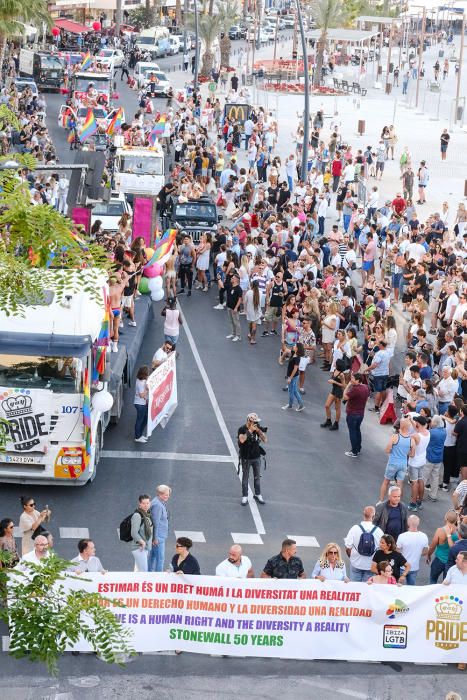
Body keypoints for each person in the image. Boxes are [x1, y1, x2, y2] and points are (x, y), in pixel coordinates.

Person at [344, 506, 383, 582]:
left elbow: (348, 547)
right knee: (366, 590)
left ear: (363, 515)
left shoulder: (355, 528)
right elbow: (382, 549)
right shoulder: (378, 531)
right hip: (370, 566)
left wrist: (351, 557)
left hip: (356, 563)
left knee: (355, 589)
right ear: (374, 516)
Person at [379, 418, 414, 501]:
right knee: (399, 484)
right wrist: (405, 452)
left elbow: (387, 450)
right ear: (408, 427)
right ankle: (398, 503)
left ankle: (381, 501)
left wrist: (394, 451)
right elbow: (412, 454)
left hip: (393, 462)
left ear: (401, 426)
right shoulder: (411, 440)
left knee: (386, 481)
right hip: (403, 464)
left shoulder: (395, 437)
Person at [237, 412, 267, 506]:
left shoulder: (257, 428)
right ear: (249, 421)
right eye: (254, 422)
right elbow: (241, 440)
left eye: (257, 422)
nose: (256, 424)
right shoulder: (242, 429)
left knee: (257, 477)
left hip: (256, 457)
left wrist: (259, 431)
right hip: (246, 458)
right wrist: (250, 431)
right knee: (245, 478)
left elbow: (265, 440)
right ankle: (245, 496)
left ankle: (258, 494)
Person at [426, 510, 459, 583]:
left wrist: (428, 555)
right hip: (451, 562)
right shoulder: (458, 532)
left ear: (446, 518)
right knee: (446, 583)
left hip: (438, 560)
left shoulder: (440, 531)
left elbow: (432, 546)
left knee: (433, 579)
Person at [343, 373, 370, 458]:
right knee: (357, 430)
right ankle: (358, 448)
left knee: (353, 432)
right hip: (360, 414)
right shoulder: (366, 387)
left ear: (358, 380)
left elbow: (345, 397)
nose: (351, 380)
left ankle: (354, 451)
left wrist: (347, 386)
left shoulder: (355, 390)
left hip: (352, 414)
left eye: (353, 378)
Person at [396, 515, 428, 585]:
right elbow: (426, 551)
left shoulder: (402, 536)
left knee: (399, 587)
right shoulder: (424, 536)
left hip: (402, 567)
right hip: (415, 567)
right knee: (411, 588)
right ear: (418, 523)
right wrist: (418, 553)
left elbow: (397, 551)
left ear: (408, 523)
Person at [408, 415, 431, 511]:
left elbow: (411, 449)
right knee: (421, 480)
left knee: (414, 483)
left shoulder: (415, 436)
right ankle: (419, 502)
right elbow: (418, 430)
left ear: (419, 424)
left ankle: (413, 504)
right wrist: (412, 421)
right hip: (422, 460)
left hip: (414, 462)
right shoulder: (427, 433)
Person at [422, 414, 447, 502]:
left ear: (435, 422)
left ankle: (420, 495)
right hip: (439, 457)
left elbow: (424, 436)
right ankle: (433, 495)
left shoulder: (432, 432)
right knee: (435, 477)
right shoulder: (444, 431)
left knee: (424, 476)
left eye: (432, 421)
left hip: (430, 457)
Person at [149, 485, 171, 572]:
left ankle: (149, 574)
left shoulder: (159, 502)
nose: (168, 496)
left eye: (168, 494)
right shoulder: (157, 505)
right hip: (159, 537)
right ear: (160, 494)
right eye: (166, 495)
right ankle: (159, 577)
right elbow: (155, 523)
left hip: (158, 536)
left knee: (153, 557)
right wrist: (155, 538)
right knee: (160, 559)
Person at [320, 358, 346, 430]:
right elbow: (333, 379)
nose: (334, 363)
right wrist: (331, 380)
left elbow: (344, 385)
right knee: (327, 405)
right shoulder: (335, 370)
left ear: (338, 365)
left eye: (335, 362)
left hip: (338, 392)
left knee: (337, 408)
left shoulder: (342, 375)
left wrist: (334, 382)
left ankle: (336, 424)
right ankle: (329, 421)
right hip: (334, 390)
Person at [130, 494, 153, 572]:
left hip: (144, 548)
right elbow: (133, 533)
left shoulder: (147, 514)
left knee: (138, 571)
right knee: (143, 572)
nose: (146, 505)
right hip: (139, 548)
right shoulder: (137, 515)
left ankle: (134, 584)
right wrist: (142, 542)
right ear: (139, 504)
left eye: (147, 503)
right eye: (143, 503)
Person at [282, 343, 305, 412]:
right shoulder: (293, 353)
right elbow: (285, 349)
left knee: (291, 391)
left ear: (297, 348)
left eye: (295, 346)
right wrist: (283, 342)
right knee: (294, 391)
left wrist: (290, 378)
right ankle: (301, 405)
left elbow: (295, 369)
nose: (293, 346)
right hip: (291, 376)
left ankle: (290, 405)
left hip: (293, 377)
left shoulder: (297, 358)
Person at [134, 365, 149, 443]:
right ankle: (137, 437)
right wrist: (146, 389)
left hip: (142, 403)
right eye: (147, 374)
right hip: (140, 404)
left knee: (145, 419)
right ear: (144, 374)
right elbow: (141, 395)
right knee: (140, 420)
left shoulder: (140, 380)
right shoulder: (140, 383)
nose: (148, 375)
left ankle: (139, 435)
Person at [226, 273, 242, 342]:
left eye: (232, 278)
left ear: (236, 280)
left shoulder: (239, 289)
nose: (231, 278)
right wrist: (219, 279)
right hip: (229, 306)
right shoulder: (230, 285)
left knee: (236, 322)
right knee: (231, 321)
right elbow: (222, 286)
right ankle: (233, 333)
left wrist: (236, 308)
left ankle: (238, 336)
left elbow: (240, 299)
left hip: (234, 309)